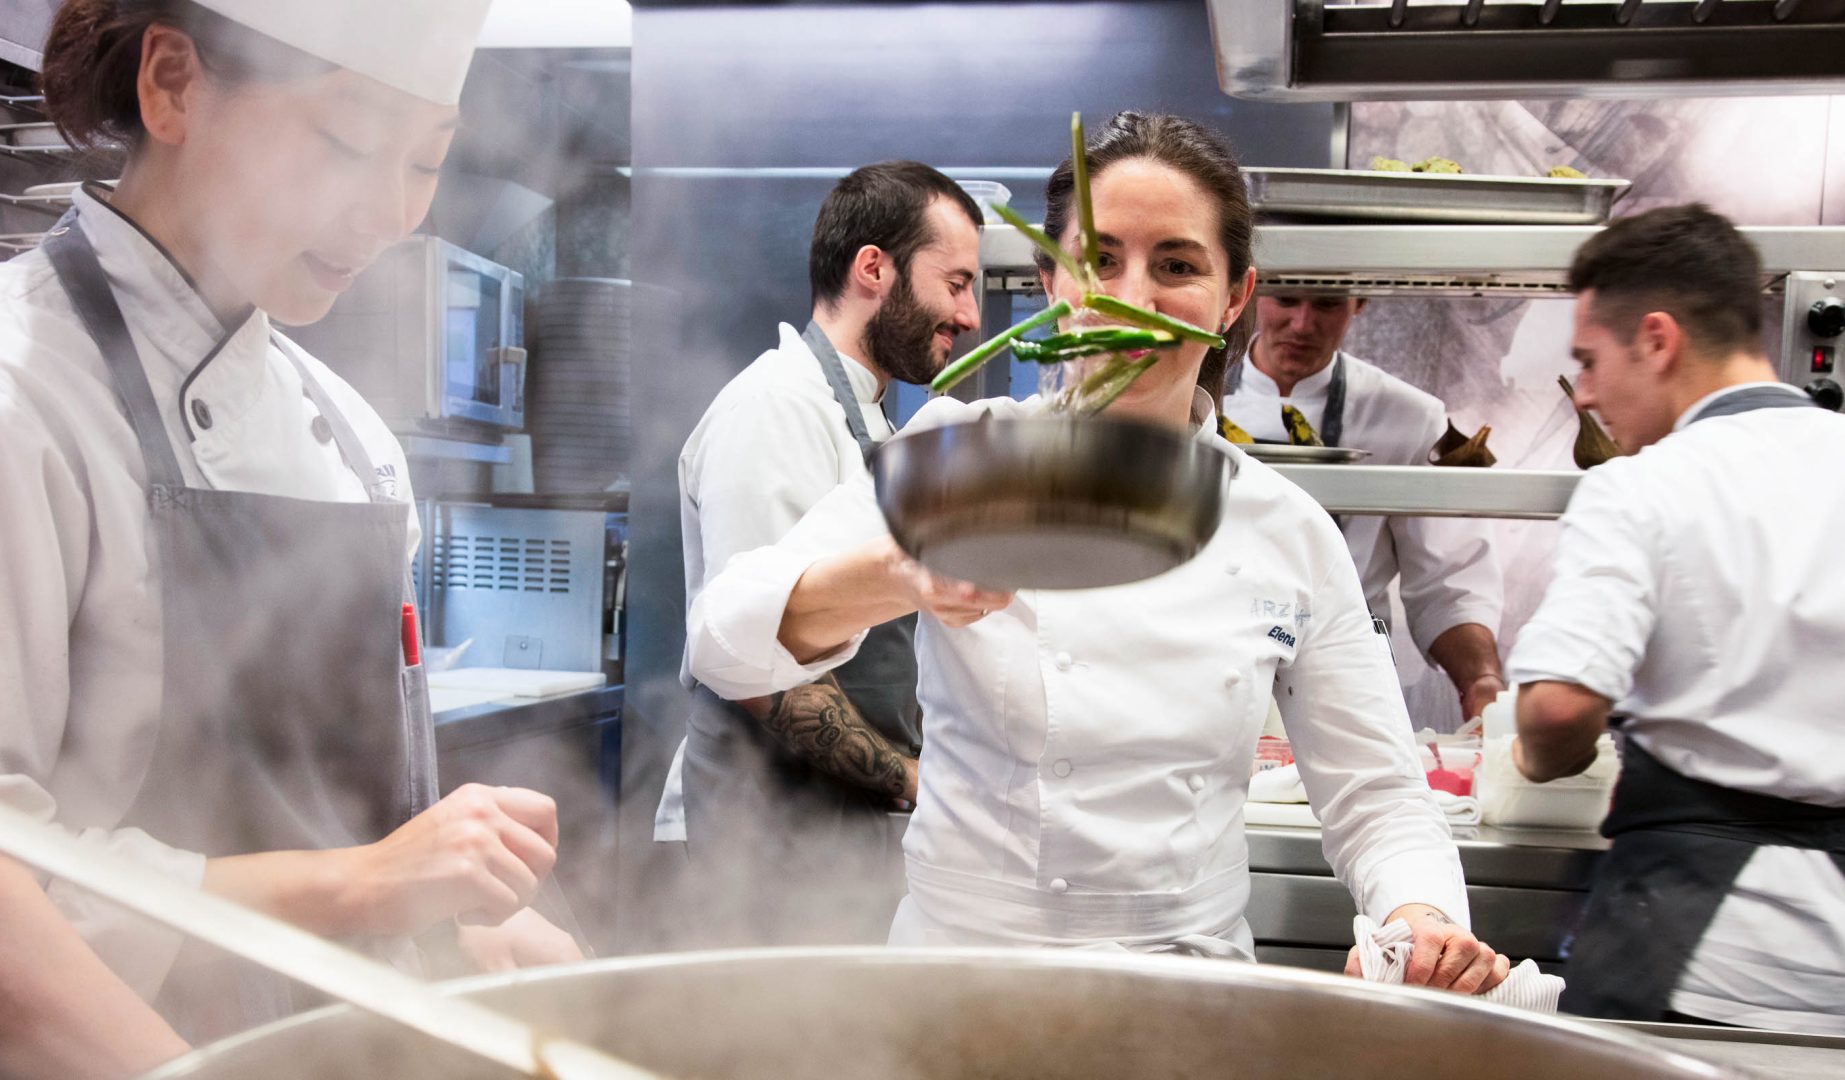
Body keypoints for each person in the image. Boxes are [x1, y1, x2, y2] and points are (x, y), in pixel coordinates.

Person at [686, 112, 1504, 990]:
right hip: (957, 980)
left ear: (1234, 298)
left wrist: (1419, 916)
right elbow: (723, 641)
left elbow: (1375, 795)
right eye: (1100, 260)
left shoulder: (1286, 527)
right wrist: (898, 573)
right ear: (1049, 281)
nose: (1132, 298)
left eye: (1178, 265)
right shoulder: (958, 455)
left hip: (1188, 990)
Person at [0, 3, 581, 1075]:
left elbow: (353, 819)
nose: (391, 213)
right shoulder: (23, 394)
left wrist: (451, 921)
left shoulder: (355, 446)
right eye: (348, 142)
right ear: (172, 85)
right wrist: (365, 886)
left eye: (425, 160)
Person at [1507, 204, 1845, 1035]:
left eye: (1589, 361)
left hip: (1689, 954)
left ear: (1657, 340)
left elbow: (1558, 709)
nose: (1584, 393)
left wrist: (1539, 752)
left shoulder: (1642, 486)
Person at [656, 161, 982, 943]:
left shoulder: (863, 420)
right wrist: (918, 782)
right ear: (875, 268)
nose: (970, 315)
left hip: (834, 830)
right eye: (958, 283)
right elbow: (754, 667)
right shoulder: (775, 409)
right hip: (764, 837)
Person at [1222, 295, 1506, 729]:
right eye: (1286, 301)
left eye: (1327, 305)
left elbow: (1447, 582)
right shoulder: (1196, 398)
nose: (1302, 324)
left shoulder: (1409, 415)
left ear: (1360, 303)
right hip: (1218, 662)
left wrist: (1481, 681)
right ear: (1253, 292)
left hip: (1346, 670)